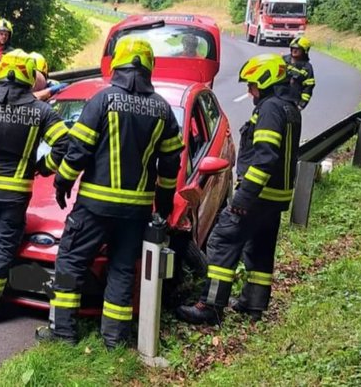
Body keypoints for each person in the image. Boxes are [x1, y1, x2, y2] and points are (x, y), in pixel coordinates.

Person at [34, 35, 183, 348]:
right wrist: (164, 204)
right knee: (121, 270)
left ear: (118, 65)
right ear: (148, 69)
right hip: (136, 211)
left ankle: (63, 332)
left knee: (70, 263)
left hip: (94, 207)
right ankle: (114, 339)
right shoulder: (163, 110)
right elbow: (171, 166)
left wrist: (63, 181)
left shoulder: (102, 101)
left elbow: (79, 150)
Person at [175, 53, 301, 325]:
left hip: (257, 195)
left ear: (265, 81)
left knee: (222, 240)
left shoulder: (269, 110)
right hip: (275, 197)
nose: (249, 90)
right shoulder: (289, 108)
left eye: (252, 85)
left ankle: (210, 306)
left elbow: (265, 157)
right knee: (260, 248)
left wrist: (243, 196)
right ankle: (253, 304)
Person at [0, 49, 69, 326]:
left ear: (0, 73)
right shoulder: (41, 111)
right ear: (30, 77)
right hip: (16, 194)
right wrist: (44, 166)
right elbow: (65, 144)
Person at [284, 37, 315, 110]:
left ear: (304, 51)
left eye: (298, 49)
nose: (294, 50)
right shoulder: (283, 60)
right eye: (293, 48)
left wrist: (301, 105)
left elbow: (308, 88)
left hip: (293, 102)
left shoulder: (307, 68)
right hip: (277, 97)